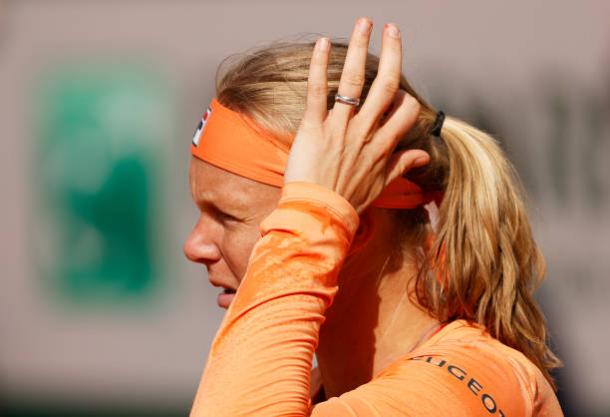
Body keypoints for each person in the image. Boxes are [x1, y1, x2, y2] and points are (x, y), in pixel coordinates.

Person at [183, 17, 564, 416]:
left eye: (226, 217)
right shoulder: (317, 392)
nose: (194, 245)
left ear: (353, 226)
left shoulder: (473, 382)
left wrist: (314, 216)